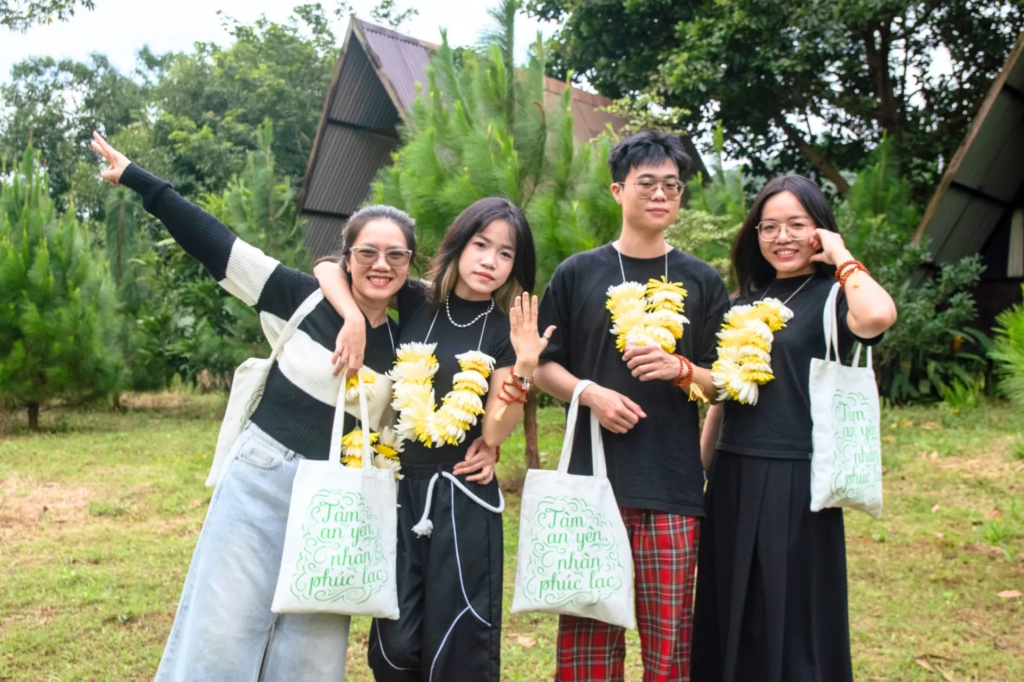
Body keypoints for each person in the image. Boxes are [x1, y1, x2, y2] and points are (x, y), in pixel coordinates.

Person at [89, 131, 489, 681]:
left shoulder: (408, 342)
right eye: (366, 252)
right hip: (262, 478)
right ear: (345, 257)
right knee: (220, 632)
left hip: (339, 502)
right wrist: (138, 179)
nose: (380, 264)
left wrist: (489, 443)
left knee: (310, 654)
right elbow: (216, 243)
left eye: (395, 255)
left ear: (409, 264)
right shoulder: (299, 295)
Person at [314, 197, 552, 682]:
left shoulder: (505, 332)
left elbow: (493, 430)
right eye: (481, 245)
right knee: (394, 647)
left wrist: (525, 367)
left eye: (506, 254)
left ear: (516, 266)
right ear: (459, 244)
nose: (490, 261)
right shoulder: (416, 300)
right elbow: (326, 266)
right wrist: (354, 318)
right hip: (401, 488)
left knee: (458, 643)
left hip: (463, 495)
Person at [533, 130, 730, 682]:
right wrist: (587, 393)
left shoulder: (700, 279)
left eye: (672, 185)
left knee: (670, 645)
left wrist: (682, 369)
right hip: (592, 482)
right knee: (588, 645)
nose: (661, 194)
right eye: (647, 183)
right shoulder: (578, 273)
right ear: (619, 191)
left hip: (672, 483)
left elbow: (726, 384)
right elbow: (544, 363)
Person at [691, 175, 897, 682]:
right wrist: (702, 470)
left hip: (798, 478)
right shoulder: (743, 301)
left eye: (796, 225)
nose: (781, 237)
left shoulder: (835, 296)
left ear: (819, 231)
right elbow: (726, 395)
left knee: (793, 615)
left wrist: (842, 255)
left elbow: (878, 316)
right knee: (728, 607)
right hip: (735, 473)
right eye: (769, 226)